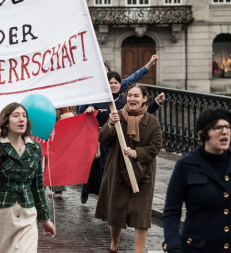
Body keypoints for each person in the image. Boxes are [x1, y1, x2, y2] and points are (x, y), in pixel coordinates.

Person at [0, 102, 56, 253]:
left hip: (27, 216)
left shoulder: (34, 148)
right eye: (16, 115)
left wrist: (45, 219)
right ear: (6, 121)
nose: (21, 119)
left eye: (24, 116)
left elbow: (38, 187)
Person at [95, 84, 163, 253]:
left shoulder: (152, 122)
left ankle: (138, 251)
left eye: (136, 96)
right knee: (116, 210)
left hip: (142, 173)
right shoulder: (116, 116)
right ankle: (115, 243)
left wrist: (135, 152)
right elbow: (103, 139)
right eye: (130, 95)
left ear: (144, 99)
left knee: (141, 215)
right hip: (117, 170)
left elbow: (155, 148)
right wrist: (110, 124)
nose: (132, 99)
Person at [79, 71, 165, 204]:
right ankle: (86, 191)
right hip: (99, 138)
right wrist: (89, 110)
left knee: (106, 172)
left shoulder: (125, 101)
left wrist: (156, 103)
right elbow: (83, 113)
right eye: (110, 83)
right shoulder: (98, 98)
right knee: (92, 169)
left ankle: (107, 201)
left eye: (116, 83)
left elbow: (141, 113)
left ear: (120, 84)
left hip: (116, 141)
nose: (113, 85)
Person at [162, 108, 231, 253]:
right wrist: (174, 247)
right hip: (198, 248)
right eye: (218, 128)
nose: (225, 131)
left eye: (227, 127)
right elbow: (171, 213)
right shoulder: (186, 165)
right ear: (202, 134)